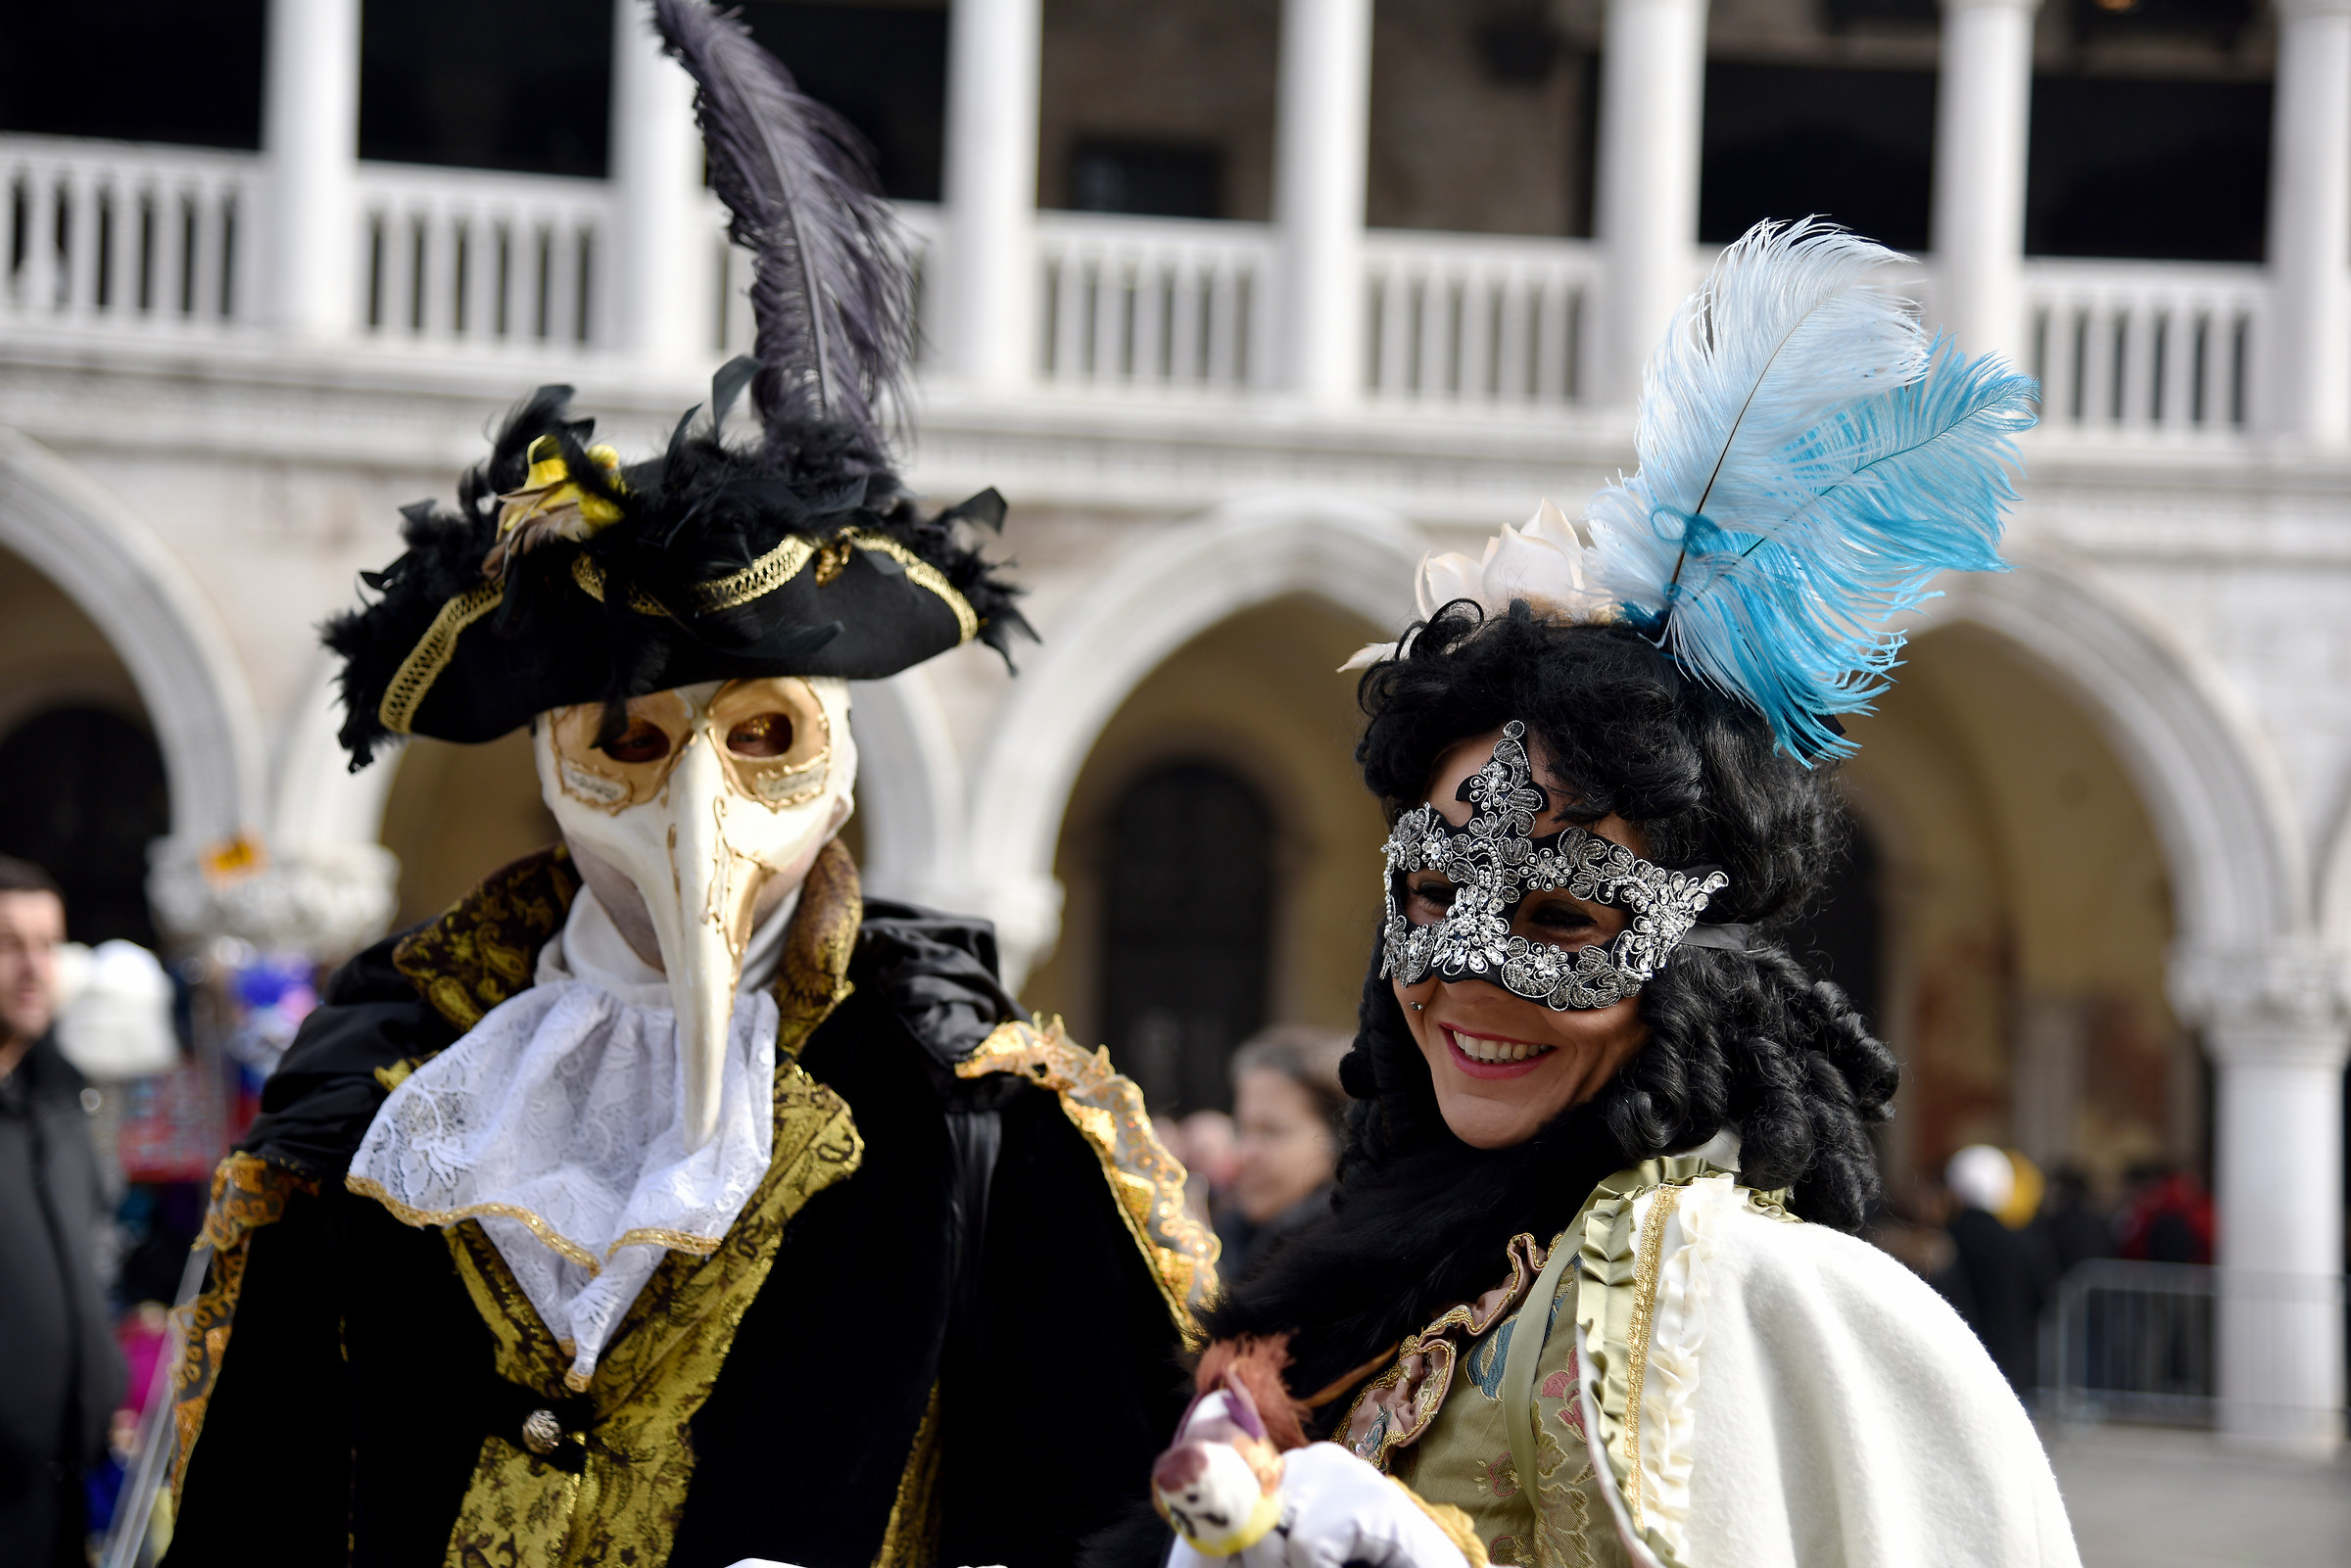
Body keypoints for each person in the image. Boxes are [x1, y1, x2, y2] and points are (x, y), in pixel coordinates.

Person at [162, 6, 1210, 1565]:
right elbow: (253, 1509)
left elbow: (1111, 1521)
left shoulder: (979, 1122)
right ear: (552, 761)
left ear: (834, 758)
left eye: (764, 734)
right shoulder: (380, 1097)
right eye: (633, 740)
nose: (697, 807)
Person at [1098, 222, 2077, 1568]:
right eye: (1438, 893)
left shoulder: (1748, 1302)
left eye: (1564, 916)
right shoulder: (1373, 1269)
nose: (1475, 971)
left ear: (1693, 955)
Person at [0, 855, 126, 1568]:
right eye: (10, 942)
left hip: (63, 1506)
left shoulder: (58, 1114)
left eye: (48, 944)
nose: (34, 966)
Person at [1216, 1026, 1350, 1279]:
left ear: (1339, 1138)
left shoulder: (1341, 1267)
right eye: (1243, 1129)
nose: (1246, 1153)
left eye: (1272, 1131)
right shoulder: (1232, 1239)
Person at [1938, 1144, 2050, 1396]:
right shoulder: (2020, 1242)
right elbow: (2043, 1297)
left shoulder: (1945, 1240)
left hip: (1955, 1361)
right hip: (2011, 1363)